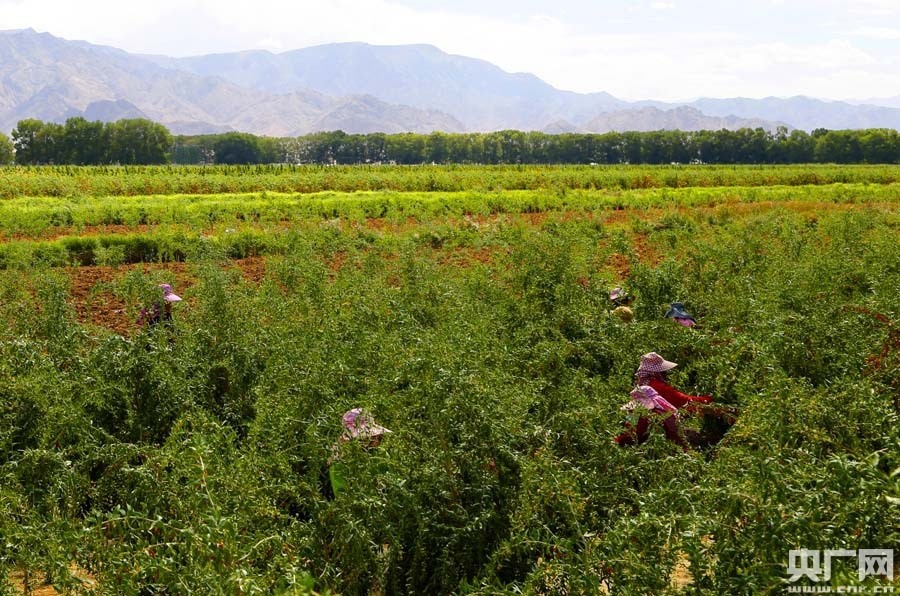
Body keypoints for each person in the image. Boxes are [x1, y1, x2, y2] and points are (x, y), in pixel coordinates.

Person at [630, 351, 737, 446]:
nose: (666, 374)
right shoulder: (656, 386)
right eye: (663, 371)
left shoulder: (641, 386)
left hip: (637, 433)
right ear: (656, 373)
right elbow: (684, 402)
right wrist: (709, 400)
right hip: (648, 435)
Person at [328, 408, 392, 497]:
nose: (376, 441)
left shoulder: (380, 453)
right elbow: (342, 495)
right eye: (368, 438)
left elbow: (392, 477)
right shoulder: (340, 463)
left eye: (376, 437)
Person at [615, 385, 688, 450]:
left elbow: (633, 433)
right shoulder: (665, 410)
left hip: (658, 448)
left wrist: (618, 441)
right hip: (676, 446)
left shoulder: (651, 415)